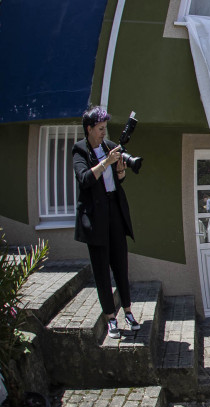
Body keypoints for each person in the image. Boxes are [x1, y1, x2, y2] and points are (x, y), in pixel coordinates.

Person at [73, 106, 137, 340]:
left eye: (105, 129)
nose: (103, 133)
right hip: (95, 218)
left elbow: (118, 181)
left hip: (114, 212)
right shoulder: (80, 150)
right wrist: (106, 163)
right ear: (89, 129)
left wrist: (120, 172)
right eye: (100, 129)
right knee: (101, 270)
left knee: (121, 263)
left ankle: (128, 311)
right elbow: (85, 179)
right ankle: (110, 318)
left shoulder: (109, 146)